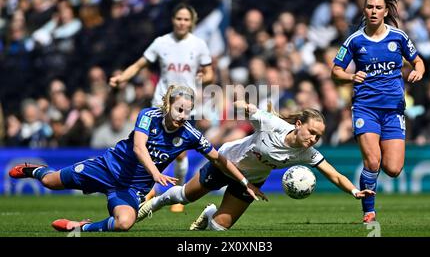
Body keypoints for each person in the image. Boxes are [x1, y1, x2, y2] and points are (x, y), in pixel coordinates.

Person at [8, 86, 264, 232]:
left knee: (125, 224)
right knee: (51, 182)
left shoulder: (190, 135)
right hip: (107, 168)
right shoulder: (148, 116)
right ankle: (35, 170)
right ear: (167, 105)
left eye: (187, 111)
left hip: (132, 187)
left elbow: (219, 159)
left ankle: (81, 228)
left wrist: (245, 183)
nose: (183, 115)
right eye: (178, 109)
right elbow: (140, 148)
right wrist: (155, 174)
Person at [136, 101, 375, 231]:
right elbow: (246, 107)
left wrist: (354, 191)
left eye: (317, 137)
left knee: (219, 229)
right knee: (184, 198)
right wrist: (245, 107)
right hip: (226, 163)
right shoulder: (271, 123)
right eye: (311, 132)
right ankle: (151, 204)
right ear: (299, 124)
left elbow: (334, 175)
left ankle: (211, 214)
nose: (313, 139)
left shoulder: (307, 153)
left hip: (251, 183)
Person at [331, 0, 425, 224]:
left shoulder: (399, 37)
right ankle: (368, 212)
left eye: (378, 7)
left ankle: (369, 182)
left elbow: (418, 61)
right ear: (364, 10)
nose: (373, 11)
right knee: (373, 161)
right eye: (369, 7)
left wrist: (418, 71)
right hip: (365, 108)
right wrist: (351, 76)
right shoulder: (355, 40)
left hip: (394, 110)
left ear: (385, 12)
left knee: (393, 169)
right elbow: (335, 71)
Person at [109, 3, 214, 212]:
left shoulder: (199, 45)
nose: (182, 23)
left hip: (185, 107)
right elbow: (140, 65)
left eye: (186, 19)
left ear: (191, 22)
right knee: (148, 148)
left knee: (179, 153)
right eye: (178, 19)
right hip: (160, 103)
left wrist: (205, 77)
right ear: (173, 20)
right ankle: (146, 188)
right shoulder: (161, 42)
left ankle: (176, 192)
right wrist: (122, 78)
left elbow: (210, 73)